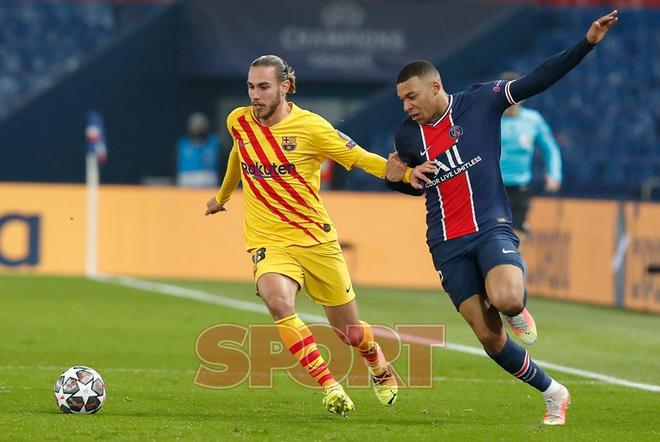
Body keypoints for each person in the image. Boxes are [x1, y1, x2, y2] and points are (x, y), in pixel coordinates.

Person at [385, 10, 618, 425]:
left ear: (435, 87)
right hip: (445, 242)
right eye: (402, 99)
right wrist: (398, 179)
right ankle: (554, 392)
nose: (407, 106)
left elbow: (538, 79)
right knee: (490, 339)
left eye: (412, 97)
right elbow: (415, 183)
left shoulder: (482, 100)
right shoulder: (407, 135)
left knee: (508, 298)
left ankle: (514, 307)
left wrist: (586, 43)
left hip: (490, 224)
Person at [205, 55, 432, 416]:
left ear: (285, 87)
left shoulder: (312, 128)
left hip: (316, 241)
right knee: (278, 302)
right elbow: (239, 154)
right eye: (250, 86)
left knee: (350, 333)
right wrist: (222, 196)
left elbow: (358, 157)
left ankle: (376, 362)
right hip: (269, 241)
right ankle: (330, 387)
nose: (255, 95)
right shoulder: (239, 121)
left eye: (263, 87)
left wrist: (405, 176)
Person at [500, 71, 563, 234]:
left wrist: (554, 174)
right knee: (492, 234)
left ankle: (514, 259)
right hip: (492, 187)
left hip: (520, 187)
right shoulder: (490, 118)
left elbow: (550, 148)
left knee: (516, 234)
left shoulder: (533, 120)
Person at [177, 112, 220, 188]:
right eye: (196, 125)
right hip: (187, 177)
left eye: (201, 125)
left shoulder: (214, 142)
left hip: (209, 177)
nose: (198, 128)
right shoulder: (183, 144)